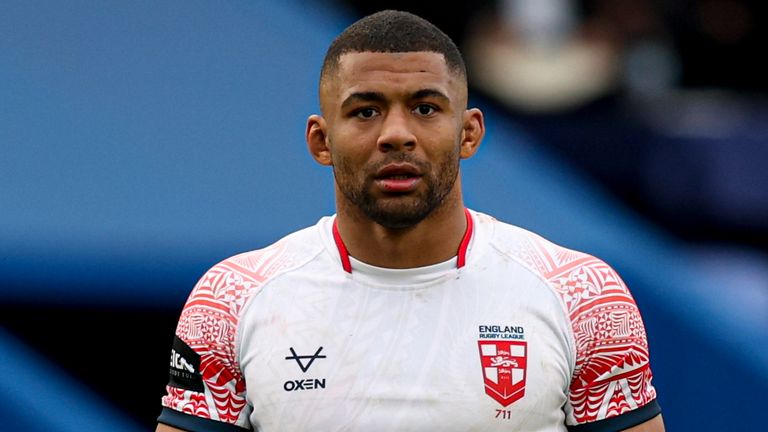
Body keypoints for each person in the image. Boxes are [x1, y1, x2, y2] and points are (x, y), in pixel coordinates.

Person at [156, 9, 664, 432]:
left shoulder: (583, 294)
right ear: (320, 141)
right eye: (364, 111)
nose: (396, 134)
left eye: (425, 108)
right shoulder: (231, 299)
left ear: (468, 133)